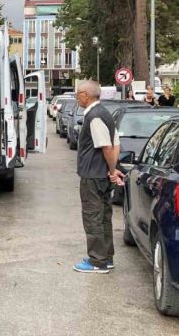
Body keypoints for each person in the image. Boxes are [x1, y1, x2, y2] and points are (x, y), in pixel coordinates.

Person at [72, 81, 124, 274]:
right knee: (103, 216)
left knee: (92, 217)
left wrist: (112, 171)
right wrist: (112, 169)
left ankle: (97, 262)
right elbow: (115, 143)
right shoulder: (104, 113)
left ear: (86, 95)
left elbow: (107, 147)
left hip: (93, 176)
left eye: (78, 94)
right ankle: (106, 257)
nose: (77, 97)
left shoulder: (94, 116)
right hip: (100, 175)